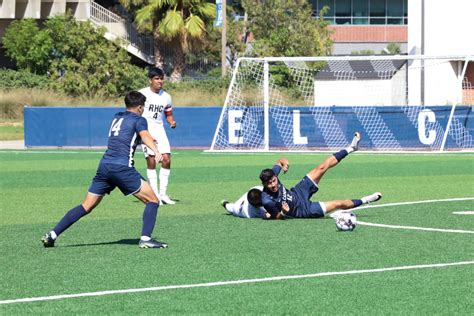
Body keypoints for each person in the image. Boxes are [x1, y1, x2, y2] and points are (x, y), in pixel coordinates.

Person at [41, 91, 168, 249]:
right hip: (122, 168)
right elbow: (144, 134)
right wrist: (156, 151)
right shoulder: (139, 119)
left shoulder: (117, 117)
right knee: (153, 200)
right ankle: (146, 239)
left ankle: (52, 234)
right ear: (140, 107)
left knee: (86, 206)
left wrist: (143, 138)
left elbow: (126, 136)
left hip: (105, 166)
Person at [260, 132, 382, 220]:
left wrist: (284, 163)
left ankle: (351, 148)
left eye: (274, 181)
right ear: (264, 184)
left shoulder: (272, 174)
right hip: (303, 210)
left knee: (322, 167)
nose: (273, 184)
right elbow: (277, 217)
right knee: (337, 204)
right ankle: (366, 200)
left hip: (298, 191)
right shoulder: (266, 200)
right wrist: (283, 212)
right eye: (269, 184)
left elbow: (279, 161)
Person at [139, 67, 177, 205]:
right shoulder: (142, 94)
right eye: (156, 78)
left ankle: (163, 194)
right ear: (150, 80)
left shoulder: (166, 96)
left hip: (160, 130)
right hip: (145, 130)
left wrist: (171, 122)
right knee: (151, 160)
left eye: (161, 78)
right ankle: (155, 195)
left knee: (166, 159)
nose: (159, 81)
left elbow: (168, 113)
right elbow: (134, 110)